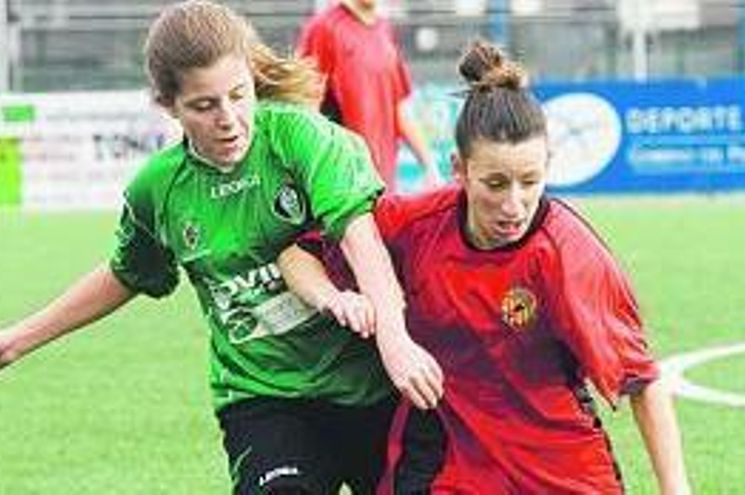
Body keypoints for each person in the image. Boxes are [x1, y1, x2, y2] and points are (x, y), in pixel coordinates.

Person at [0, 1, 443, 494]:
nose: (229, 119)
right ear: (168, 106)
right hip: (263, 397)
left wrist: (395, 340)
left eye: (239, 95)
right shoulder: (158, 189)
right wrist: (16, 339)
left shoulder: (304, 140)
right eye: (204, 106)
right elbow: (127, 273)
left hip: (368, 386)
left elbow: (361, 240)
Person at [278, 39, 691, 494]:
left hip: (557, 463)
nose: (514, 204)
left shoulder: (570, 253)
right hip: (448, 459)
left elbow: (641, 382)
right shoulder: (417, 224)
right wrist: (335, 298)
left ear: (548, 166)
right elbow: (300, 254)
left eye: (530, 181)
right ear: (460, 169)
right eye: (495, 183)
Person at [295, 0, 442, 192]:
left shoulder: (384, 29)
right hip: (343, 187)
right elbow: (305, 109)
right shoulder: (324, 28)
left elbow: (398, 108)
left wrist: (429, 165)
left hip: (383, 184)